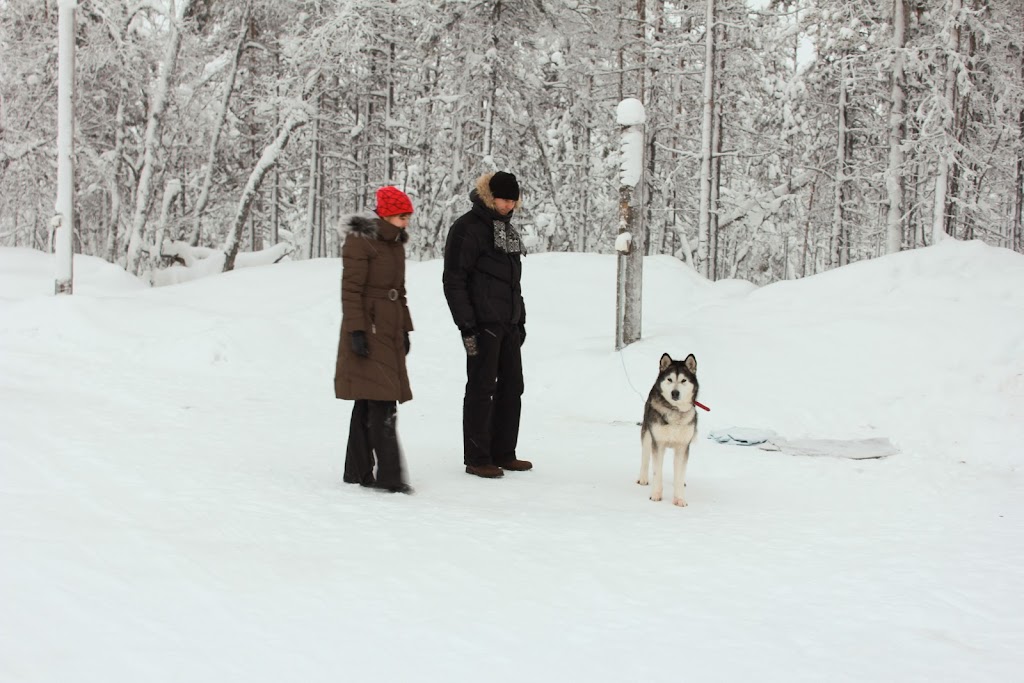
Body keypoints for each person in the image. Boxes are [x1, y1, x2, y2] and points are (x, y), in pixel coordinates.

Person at [442, 171, 531, 479]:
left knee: (513, 387)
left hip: (508, 325)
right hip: (481, 325)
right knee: (482, 389)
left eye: (512, 200)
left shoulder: (506, 230)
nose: (509, 206)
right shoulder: (466, 228)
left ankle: (504, 452)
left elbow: (513, 283)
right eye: (503, 199)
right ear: (489, 197)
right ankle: (478, 457)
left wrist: (519, 320)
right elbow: (454, 280)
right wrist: (466, 326)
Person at [334, 185, 415, 494]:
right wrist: (356, 331)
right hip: (369, 327)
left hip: (389, 326)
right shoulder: (361, 241)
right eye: (400, 216)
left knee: (368, 399)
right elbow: (351, 290)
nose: (405, 222)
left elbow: (400, 290)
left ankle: (356, 470)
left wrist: (405, 328)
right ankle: (390, 475)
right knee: (382, 400)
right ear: (385, 214)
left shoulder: (395, 244)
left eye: (407, 216)